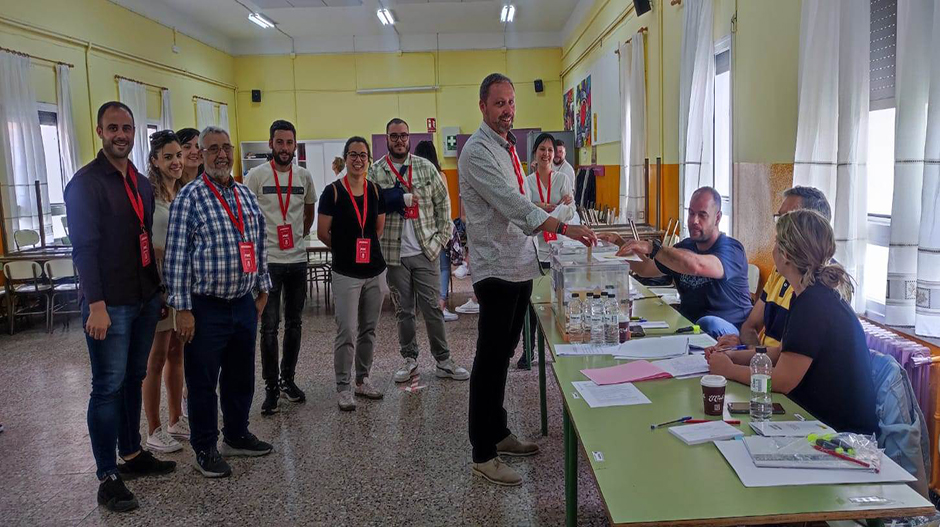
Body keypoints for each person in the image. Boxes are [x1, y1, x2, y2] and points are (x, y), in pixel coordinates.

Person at [459, 73, 596, 486]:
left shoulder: (506, 147)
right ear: (483, 106)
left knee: (503, 354)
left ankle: (498, 431)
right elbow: (515, 205)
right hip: (496, 268)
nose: (507, 110)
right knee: (490, 358)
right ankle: (482, 452)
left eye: (511, 103)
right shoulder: (478, 152)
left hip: (519, 264)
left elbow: (522, 203)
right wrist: (564, 226)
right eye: (499, 103)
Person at [65, 101, 175, 513]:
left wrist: (157, 292)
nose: (121, 135)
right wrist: (95, 304)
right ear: (99, 131)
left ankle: (132, 454)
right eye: (113, 128)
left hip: (145, 297)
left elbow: (143, 240)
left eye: (127, 128)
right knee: (108, 387)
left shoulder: (140, 182)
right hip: (109, 304)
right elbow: (84, 250)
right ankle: (107, 476)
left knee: (133, 378)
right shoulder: (85, 184)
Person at [164, 125, 274, 479]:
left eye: (226, 148)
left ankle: (237, 434)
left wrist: (263, 287)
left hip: (243, 302)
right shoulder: (190, 198)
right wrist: (181, 308)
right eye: (213, 149)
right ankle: (205, 447)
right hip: (205, 308)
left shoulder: (244, 195)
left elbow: (258, 243)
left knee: (241, 377)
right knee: (202, 382)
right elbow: (177, 258)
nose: (222, 154)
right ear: (200, 154)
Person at [707, 209, 878, 435]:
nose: (772, 249)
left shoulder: (813, 304)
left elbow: (782, 380)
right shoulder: (811, 295)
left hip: (842, 437)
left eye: (777, 242)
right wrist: (732, 355)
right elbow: (783, 353)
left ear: (786, 254)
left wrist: (729, 371)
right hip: (819, 422)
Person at [368, 119, 468, 385]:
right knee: (404, 311)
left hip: (426, 251)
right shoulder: (376, 172)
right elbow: (369, 208)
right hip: (394, 254)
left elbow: (444, 207)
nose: (399, 140)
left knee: (433, 308)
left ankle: (443, 361)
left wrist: (438, 243)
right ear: (387, 139)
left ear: (409, 138)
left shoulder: (425, 168)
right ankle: (409, 360)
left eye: (403, 136)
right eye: (394, 136)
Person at [600, 186, 751, 338]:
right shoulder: (685, 247)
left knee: (709, 323)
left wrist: (653, 248)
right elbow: (645, 269)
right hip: (690, 329)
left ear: (717, 218)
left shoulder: (731, 249)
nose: (694, 220)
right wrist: (619, 244)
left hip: (730, 333)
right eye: (691, 213)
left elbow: (697, 265)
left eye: (702, 215)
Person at [708, 186, 831, 360]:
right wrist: (748, 350)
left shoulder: (820, 288)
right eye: (779, 218)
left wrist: (740, 358)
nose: (780, 226)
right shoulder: (780, 271)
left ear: (811, 227)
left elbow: (786, 363)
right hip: (764, 361)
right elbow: (750, 327)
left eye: (788, 218)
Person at [244, 120, 317, 416]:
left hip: (297, 260)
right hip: (269, 262)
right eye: (279, 142)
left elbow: (308, 212)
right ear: (270, 143)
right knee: (270, 327)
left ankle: (289, 380)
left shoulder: (304, 176)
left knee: (295, 324)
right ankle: (271, 387)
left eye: (289, 143)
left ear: (294, 144)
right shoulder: (256, 176)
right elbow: (248, 215)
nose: (285, 148)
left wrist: (297, 236)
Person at [318, 137, 387, 411]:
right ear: (345, 158)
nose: (358, 159)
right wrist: (346, 250)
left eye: (363, 155)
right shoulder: (332, 192)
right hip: (346, 272)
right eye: (353, 154)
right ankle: (343, 386)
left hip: (374, 270)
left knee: (369, 329)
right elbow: (324, 233)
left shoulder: (376, 191)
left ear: (368, 159)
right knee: (347, 329)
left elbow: (377, 230)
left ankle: (363, 380)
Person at [141, 130, 188, 453]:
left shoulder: (182, 194)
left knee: (177, 352)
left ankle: (175, 418)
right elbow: (142, 240)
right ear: (155, 161)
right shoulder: (148, 197)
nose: (175, 162)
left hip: (181, 284)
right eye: (168, 157)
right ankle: (154, 428)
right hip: (158, 285)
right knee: (155, 357)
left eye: (178, 156)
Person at [518, 132, 576, 369]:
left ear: (555, 154)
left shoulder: (562, 179)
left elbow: (570, 210)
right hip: (534, 249)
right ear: (535, 153)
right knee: (531, 304)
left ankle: (561, 348)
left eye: (550, 150)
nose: (546, 154)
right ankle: (528, 350)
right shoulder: (527, 182)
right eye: (542, 149)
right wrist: (545, 208)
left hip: (559, 249)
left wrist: (545, 212)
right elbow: (524, 209)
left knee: (561, 301)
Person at [413, 139, 460, 322]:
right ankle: (440, 305)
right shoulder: (440, 175)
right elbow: (445, 204)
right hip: (438, 229)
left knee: (422, 268)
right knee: (442, 267)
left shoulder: (413, 176)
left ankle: (426, 305)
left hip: (419, 229)